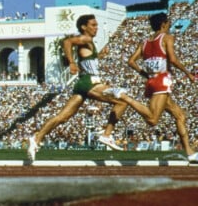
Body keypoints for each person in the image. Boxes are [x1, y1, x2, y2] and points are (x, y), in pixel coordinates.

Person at [27, 14, 135, 161]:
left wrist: (99, 56)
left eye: (96, 25)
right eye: (93, 25)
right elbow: (67, 41)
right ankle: (107, 135)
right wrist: (71, 62)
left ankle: (36, 138)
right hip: (89, 82)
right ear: (84, 27)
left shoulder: (89, 43)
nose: (96, 28)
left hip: (82, 84)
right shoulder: (86, 38)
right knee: (122, 101)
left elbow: (87, 61)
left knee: (62, 117)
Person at [118, 12, 197, 163]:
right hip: (162, 81)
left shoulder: (145, 43)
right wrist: (188, 73)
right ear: (163, 24)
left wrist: (145, 74)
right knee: (153, 120)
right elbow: (172, 59)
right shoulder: (167, 38)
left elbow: (131, 61)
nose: (169, 26)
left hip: (152, 82)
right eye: (168, 23)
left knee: (180, 116)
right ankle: (125, 97)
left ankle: (190, 152)